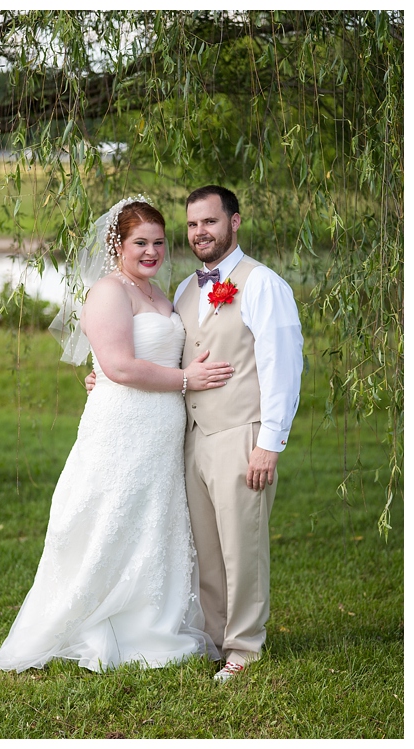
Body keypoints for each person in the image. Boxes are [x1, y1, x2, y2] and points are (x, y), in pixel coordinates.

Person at [0, 197, 230, 674]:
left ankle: (150, 618)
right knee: (111, 518)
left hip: (160, 432)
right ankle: (97, 619)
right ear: (117, 244)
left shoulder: (158, 294)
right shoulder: (108, 291)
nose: (151, 251)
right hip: (122, 426)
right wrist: (188, 380)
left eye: (159, 242)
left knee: (153, 521)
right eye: (140, 242)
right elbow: (119, 365)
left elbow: (134, 357)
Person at [174, 186, 303, 681]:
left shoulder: (263, 284)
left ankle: (245, 649)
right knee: (206, 548)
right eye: (191, 224)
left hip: (242, 433)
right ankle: (214, 638)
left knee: (242, 546)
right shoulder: (187, 288)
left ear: (235, 222)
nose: (200, 232)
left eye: (210, 221)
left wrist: (269, 443)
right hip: (195, 437)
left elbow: (282, 366)